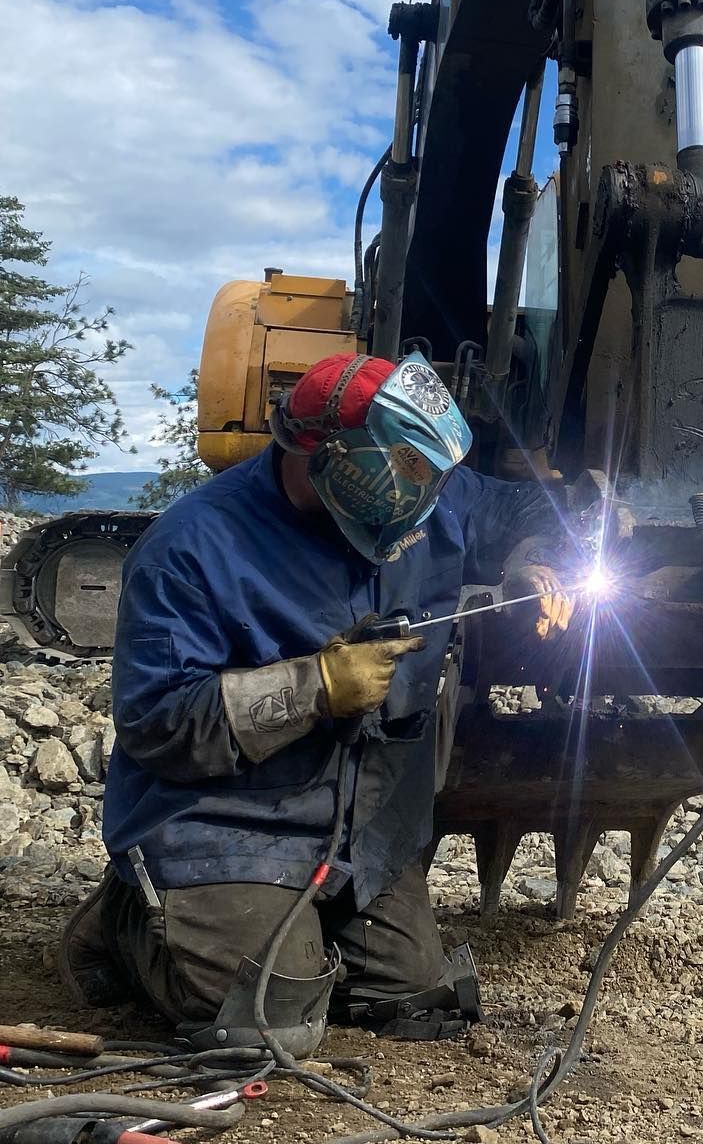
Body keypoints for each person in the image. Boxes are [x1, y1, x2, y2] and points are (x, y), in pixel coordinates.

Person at [59, 351, 574, 1053]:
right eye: (404, 473)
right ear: (326, 453)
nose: (424, 498)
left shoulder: (424, 491)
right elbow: (157, 722)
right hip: (224, 826)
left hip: (357, 830)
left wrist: (535, 557)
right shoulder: (193, 548)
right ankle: (124, 919)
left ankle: (293, 922)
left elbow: (524, 507)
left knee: (418, 998)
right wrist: (316, 689)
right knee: (267, 1026)